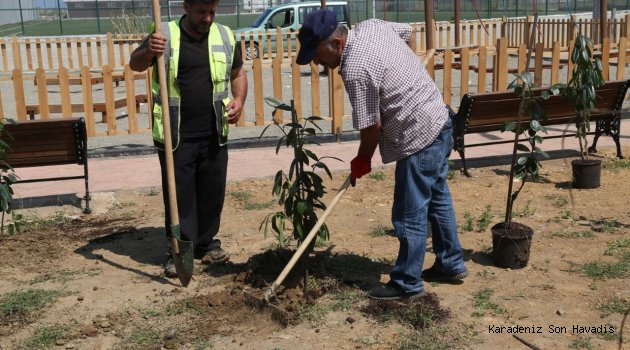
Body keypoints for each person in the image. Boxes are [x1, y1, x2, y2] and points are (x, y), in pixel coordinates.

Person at [296, 10, 468, 300]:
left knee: (408, 213)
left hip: (418, 137)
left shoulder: (355, 69)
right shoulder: (373, 26)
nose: (315, 61)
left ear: (337, 44)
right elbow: (409, 32)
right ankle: (450, 264)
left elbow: (372, 128)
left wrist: (362, 160)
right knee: (437, 198)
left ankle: (406, 283)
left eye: (317, 53)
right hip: (440, 122)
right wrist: (409, 71)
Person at [129, 0, 247, 277]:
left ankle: (206, 243)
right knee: (180, 196)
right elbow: (135, 64)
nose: (207, 18)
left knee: (212, 193)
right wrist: (148, 49)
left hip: (214, 131)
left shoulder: (225, 35)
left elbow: (237, 73)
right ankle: (180, 250)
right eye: (201, 12)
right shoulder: (163, 34)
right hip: (176, 134)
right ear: (186, 7)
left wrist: (239, 100)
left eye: (212, 12)